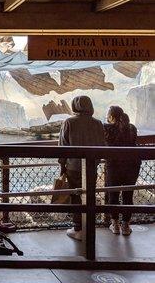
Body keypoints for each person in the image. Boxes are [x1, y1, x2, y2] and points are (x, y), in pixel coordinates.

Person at [58, 95, 105, 241]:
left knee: (76, 197)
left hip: (73, 168)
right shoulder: (98, 123)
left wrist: (62, 166)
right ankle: (89, 227)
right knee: (89, 196)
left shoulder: (69, 122)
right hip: (92, 167)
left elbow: (62, 147)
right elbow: (102, 146)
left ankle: (78, 228)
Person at [104, 106, 139, 236]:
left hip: (114, 166)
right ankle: (125, 226)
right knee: (128, 196)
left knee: (113, 195)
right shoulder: (132, 128)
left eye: (108, 115)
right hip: (132, 165)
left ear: (111, 117)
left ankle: (115, 225)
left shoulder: (107, 128)